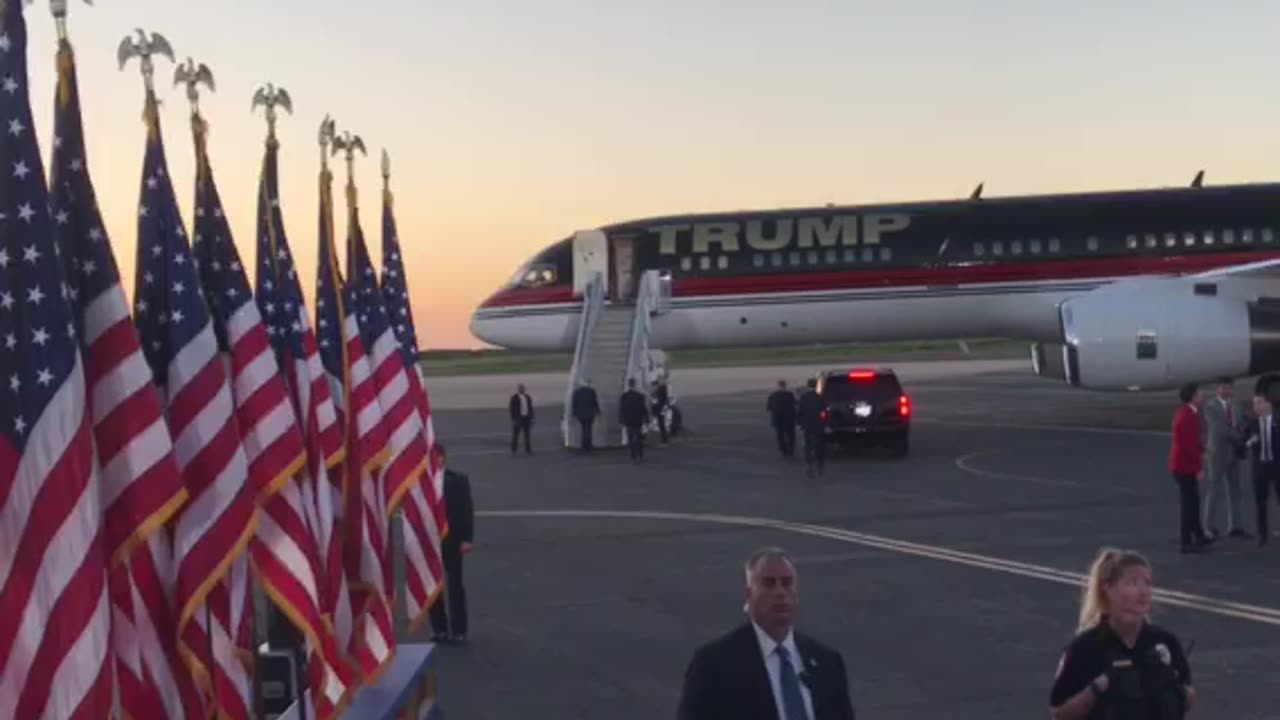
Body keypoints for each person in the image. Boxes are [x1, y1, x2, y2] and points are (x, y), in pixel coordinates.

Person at [676, 547, 857, 720]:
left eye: (787, 583)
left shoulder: (827, 663)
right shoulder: (714, 665)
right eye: (769, 583)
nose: (780, 592)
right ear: (749, 595)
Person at [1048, 548, 1195, 720]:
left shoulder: (1165, 643)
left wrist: (1168, 680)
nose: (1143, 591)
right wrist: (1098, 687)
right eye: (1132, 583)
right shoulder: (1085, 648)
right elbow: (1058, 714)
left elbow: (1189, 697)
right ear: (1108, 590)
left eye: (1147, 583)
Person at [428, 445, 475, 644]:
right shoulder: (420, 484)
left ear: (443, 458)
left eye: (437, 457)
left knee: (455, 585)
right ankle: (439, 629)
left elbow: (467, 511)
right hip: (429, 541)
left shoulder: (458, 481)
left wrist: (467, 539)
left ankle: (459, 629)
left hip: (453, 540)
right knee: (432, 588)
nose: (435, 461)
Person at [1202, 377, 1249, 539]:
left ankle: (1236, 526)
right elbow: (1220, 429)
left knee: (1236, 489)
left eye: (1229, 388)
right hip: (1218, 452)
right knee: (1214, 489)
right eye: (1223, 387)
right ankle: (1208, 527)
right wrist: (1240, 438)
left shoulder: (1236, 404)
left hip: (1234, 452)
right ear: (1218, 389)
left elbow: (1242, 423)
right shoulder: (1211, 407)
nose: (1226, 390)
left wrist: (1243, 434)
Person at [1168, 383, 1209, 553]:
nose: (1202, 395)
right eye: (1200, 393)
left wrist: (1202, 449)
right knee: (1189, 504)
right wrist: (1198, 467)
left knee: (1192, 501)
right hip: (1185, 466)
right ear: (1193, 396)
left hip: (1181, 464)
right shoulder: (1188, 415)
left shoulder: (1185, 412)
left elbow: (1190, 441)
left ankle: (1198, 534)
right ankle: (1186, 541)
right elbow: (1188, 445)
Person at [1246, 390, 1280, 547]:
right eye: (1254, 403)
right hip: (1259, 468)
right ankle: (1262, 534)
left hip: (1277, 465)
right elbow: (1241, 442)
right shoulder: (1251, 423)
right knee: (1260, 502)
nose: (1256, 406)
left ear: (1269, 403)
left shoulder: (1277, 421)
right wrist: (1249, 442)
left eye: (1259, 402)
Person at [796, 379, 826, 478]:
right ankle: (820, 466)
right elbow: (823, 413)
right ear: (816, 385)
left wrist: (800, 424)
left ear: (807, 386)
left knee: (808, 445)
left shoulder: (803, 398)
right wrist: (824, 423)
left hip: (807, 425)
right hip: (818, 425)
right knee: (819, 445)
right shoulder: (820, 398)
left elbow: (800, 412)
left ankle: (809, 464)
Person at [619, 378, 650, 462]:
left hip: (628, 420)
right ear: (635, 385)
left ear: (628, 385)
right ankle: (640, 454)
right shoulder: (640, 396)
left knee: (630, 437)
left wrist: (621, 420)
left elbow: (622, 409)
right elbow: (644, 409)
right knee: (639, 437)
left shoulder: (624, 396)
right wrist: (647, 419)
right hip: (638, 420)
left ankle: (633, 456)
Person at [767, 380, 798, 459]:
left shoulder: (773, 395)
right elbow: (795, 403)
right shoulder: (790, 394)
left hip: (778, 418)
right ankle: (791, 449)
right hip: (789, 418)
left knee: (779, 435)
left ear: (778, 386)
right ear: (785, 386)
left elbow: (769, 407)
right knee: (791, 434)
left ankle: (782, 450)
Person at [571, 379, 601, 451]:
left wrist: (574, 413)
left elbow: (574, 403)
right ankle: (588, 445)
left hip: (580, 414)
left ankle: (584, 445)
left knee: (583, 429)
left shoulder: (577, 392)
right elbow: (595, 402)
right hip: (590, 414)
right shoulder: (591, 391)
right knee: (589, 429)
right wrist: (598, 412)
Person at [508, 383, 533, 455]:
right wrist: (513, 419)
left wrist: (532, 417)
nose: (522, 389)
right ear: (518, 389)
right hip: (518, 418)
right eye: (521, 388)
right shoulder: (514, 397)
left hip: (526, 418)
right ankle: (514, 449)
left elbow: (530, 408)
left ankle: (528, 450)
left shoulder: (528, 397)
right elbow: (512, 409)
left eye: (523, 388)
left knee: (527, 435)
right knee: (516, 435)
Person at [652, 378, 671, 445]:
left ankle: (665, 440)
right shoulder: (661, 389)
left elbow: (660, 399)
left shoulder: (661, 389)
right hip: (660, 409)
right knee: (661, 425)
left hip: (660, 410)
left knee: (662, 425)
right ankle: (664, 440)